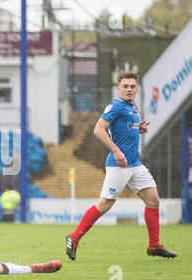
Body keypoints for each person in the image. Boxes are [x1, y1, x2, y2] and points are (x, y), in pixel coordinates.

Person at [65, 72, 177, 261]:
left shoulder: (132, 107)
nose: (129, 89)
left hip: (135, 164)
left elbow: (123, 128)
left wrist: (136, 128)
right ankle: (74, 237)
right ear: (118, 88)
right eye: (125, 86)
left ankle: (154, 245)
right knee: (104, 204)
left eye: (132, 86)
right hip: (119, 165)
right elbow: (98, 129)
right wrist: (116, 151)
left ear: (137, 89)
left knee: (153, 201)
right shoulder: (116, 106)